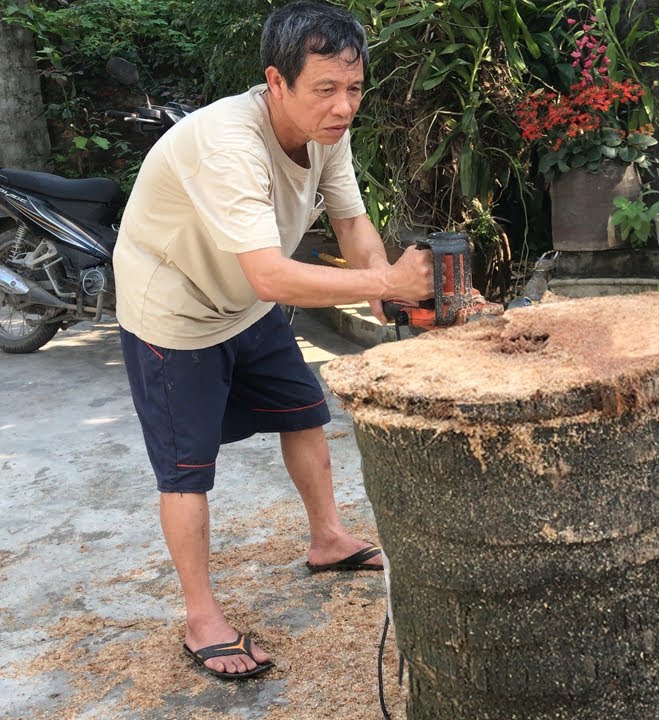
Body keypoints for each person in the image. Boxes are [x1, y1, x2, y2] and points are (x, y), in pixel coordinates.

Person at [112, 0, 433, 680]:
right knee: (186, 470)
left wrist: (386, 285)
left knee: (303, 412)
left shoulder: (327, 129)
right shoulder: (229, 141)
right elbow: (266, 275)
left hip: (246, 301)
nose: (343, 106)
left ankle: (327, 539)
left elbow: (350, 221)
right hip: (177, 308)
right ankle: (202, 619)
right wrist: (388, 276)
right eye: (325, 89)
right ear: (276, 82)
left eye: (354, 88)